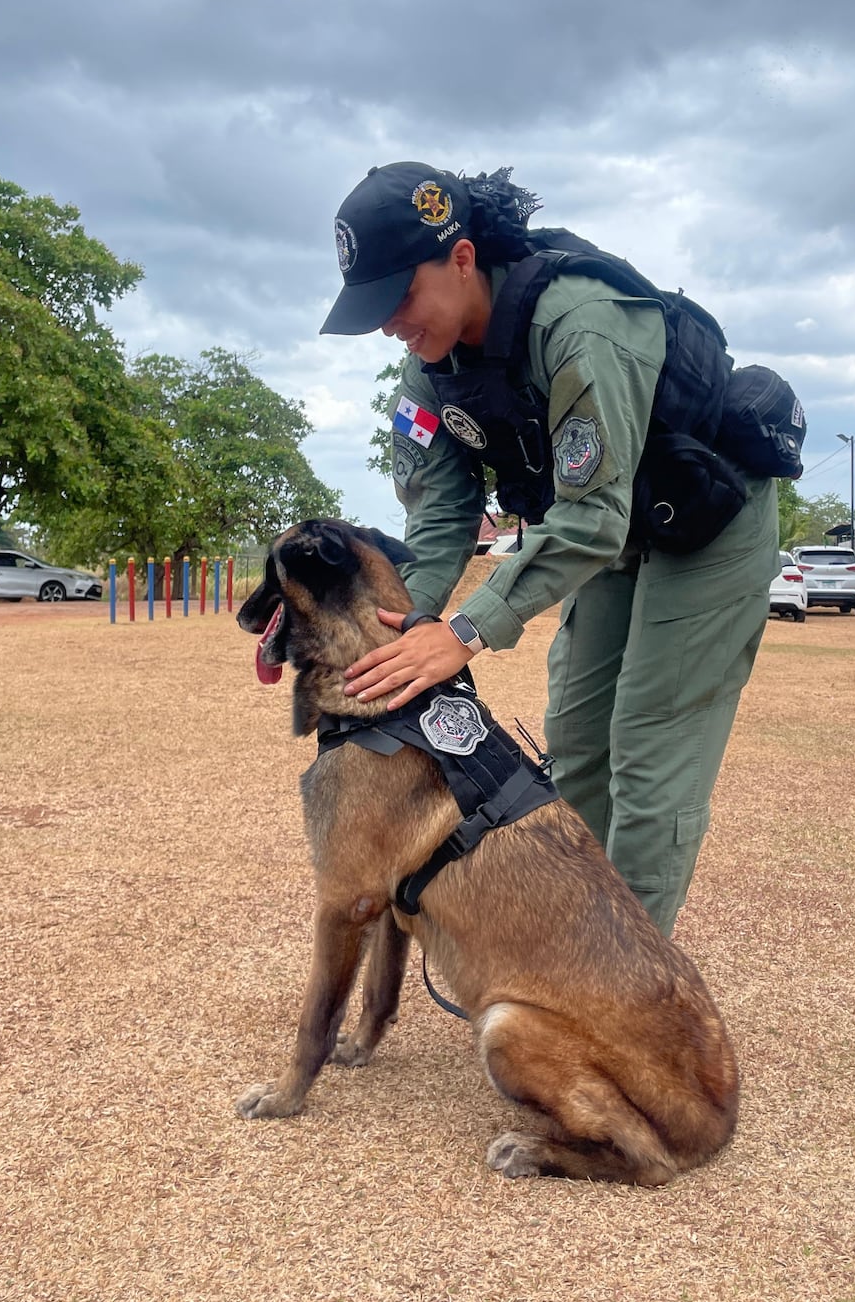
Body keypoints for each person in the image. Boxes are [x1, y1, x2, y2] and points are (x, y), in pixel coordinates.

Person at [321, 161, 781, 939]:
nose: (390, 323)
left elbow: (594, 513)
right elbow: (439, 518)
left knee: (648, 748)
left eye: (399, 296)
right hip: (612, 537)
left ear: (462, 258)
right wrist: (390, 623)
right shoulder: (430, 369)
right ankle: (575, 948)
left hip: (710, 525)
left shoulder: (581, 325)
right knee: (575, 741)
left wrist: (463, 632)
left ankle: (628, 994)